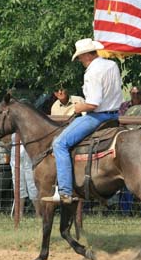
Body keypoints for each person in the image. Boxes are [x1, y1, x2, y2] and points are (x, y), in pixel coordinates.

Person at [42, 38, 123, 204]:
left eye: (79, 57)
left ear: (86, 55)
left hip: (97, 116)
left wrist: (79, 107)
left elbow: (93, 103)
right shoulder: (112, 65)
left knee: (60, 143)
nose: (79, 61)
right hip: (114, 116)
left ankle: (65, 191)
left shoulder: (92, 72)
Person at [10, 133, 41, 217]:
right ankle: (19, 214)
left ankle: (38, 214)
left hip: (29, 156)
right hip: (15, 157)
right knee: (18, 184)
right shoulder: (12, 125)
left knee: (32, 184)